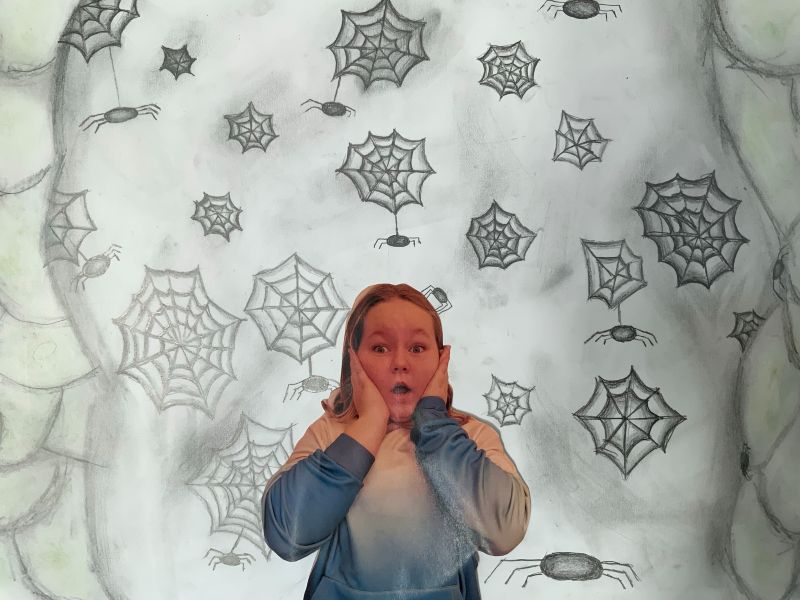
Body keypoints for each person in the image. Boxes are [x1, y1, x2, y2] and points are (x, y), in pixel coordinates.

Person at [262, 283, 531, 599]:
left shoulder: (468, 436)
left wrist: (434, 424)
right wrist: (369, 424)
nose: (400, 362)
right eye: (380, 348)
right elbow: (286, 535)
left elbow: (505, 531)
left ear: (440, 360)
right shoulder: (331, 434)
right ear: (353, 359)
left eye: (417, 348)